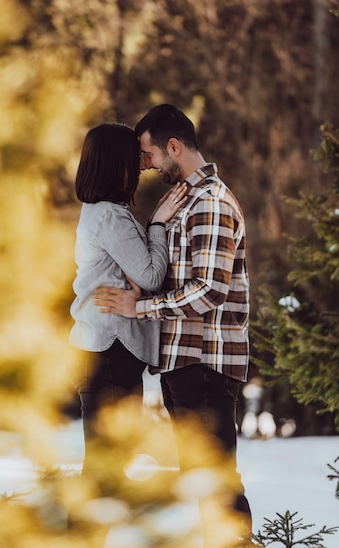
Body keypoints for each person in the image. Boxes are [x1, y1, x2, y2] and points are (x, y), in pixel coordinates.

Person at [93, 104, 252, 537]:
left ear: (174, 146)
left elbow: (209, 290)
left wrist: (137, 308)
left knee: (215, 477)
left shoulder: (211, 203)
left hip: (204, 362)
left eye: (149, 155)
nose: (145, 166)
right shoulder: (186, 202)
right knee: (202, 478)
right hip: (184, 361)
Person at [69, 122, 187, 477]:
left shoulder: (103, 212)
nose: (141, 164)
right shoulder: (109, 216)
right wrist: (159, 224)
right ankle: (83, 534)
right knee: (107, 470)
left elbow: (141, 276)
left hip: (105, 351)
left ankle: (87, 532)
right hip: (110, 353)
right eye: (134, 156)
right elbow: (150, 276)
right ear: (115, 162)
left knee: (108, 467)